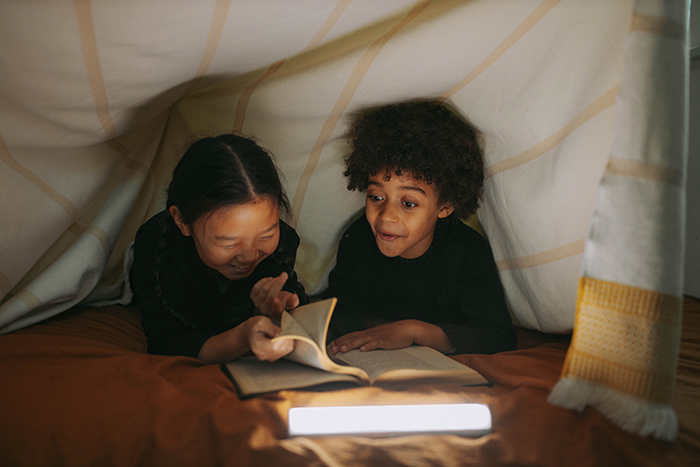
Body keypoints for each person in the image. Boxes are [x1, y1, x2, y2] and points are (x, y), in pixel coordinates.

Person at [324, 100, 516, 355]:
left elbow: (498, 336)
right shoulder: (358, 241)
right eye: (376, 197)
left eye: (408, 203)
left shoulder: (466, 254)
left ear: (445, 205)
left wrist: (415, 331)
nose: (387, 217)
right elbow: (338, 314)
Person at [130, 134, 308, 364]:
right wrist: (242, 338)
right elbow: (167, 343)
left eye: (266, 235)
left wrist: (281, 312)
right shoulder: (156, 245)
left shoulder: (283, 242)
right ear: (182, 221)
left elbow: (290, 312)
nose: (249, 255)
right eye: (229, 243)